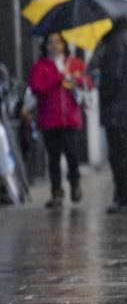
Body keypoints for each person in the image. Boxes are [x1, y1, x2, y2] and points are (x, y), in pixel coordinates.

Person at [27, 33, 93, 208]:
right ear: (45, 46)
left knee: (72, 154)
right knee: (53, 157)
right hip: (50, 120)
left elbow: (88, 82)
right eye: (50, 42)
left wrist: (76, 78)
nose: (54, 45)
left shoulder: (74, 63)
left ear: (64, 44)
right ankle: (56, 191)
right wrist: (58, 77)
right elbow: (37, 87)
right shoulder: (40, 66)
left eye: (58, 42)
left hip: (70, 119)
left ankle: (75, 183)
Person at [90, 17, 127, 214]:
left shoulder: (115, 42)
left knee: (121, 157)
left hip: (118, 111)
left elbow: (112, 76)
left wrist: (104, 95)